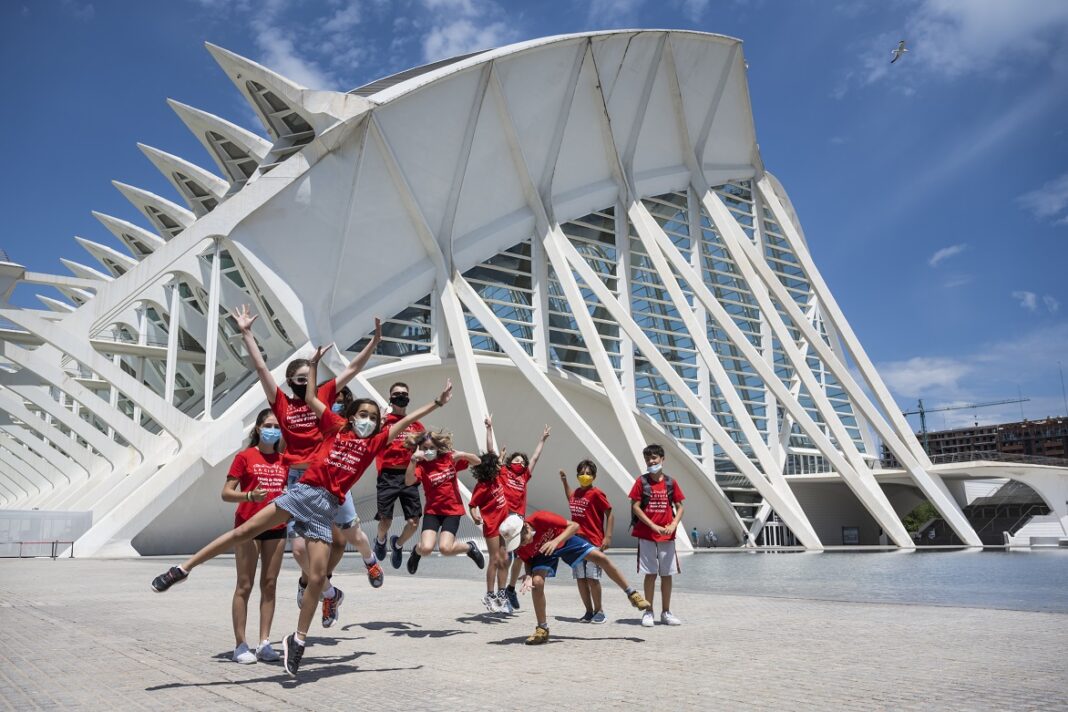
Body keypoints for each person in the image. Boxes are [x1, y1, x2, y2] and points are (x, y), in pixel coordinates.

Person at [150, 343, 454, 677]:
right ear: (350, 416)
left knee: (318, 577)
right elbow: (311, 398)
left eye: (373, 417)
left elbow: (406, 420)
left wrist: (436, 404)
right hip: (302, 492)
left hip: (325, 507)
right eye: (362, 415)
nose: (368, 420)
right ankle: (182, 569)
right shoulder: (333, 427)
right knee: (244, 532)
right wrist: (313, 365)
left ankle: (298, 639)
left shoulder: (374, 443)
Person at [231, 305, 385, 617]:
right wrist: (246, 334)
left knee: (352, 534)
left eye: (307, 377)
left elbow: (352, 370)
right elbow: (262, 370)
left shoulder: (324, 394)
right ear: (289, 381)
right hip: (297, 480)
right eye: (298, 379)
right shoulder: (282, 403)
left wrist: (374, 342)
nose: (303, 382)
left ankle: (370, 562)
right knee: (300, 548)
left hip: (331, 476)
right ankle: (326, 590)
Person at [499, 511, 651, 645]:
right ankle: (542, 629)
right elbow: (529, 561)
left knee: (600, 557)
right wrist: (529, 576)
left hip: (562, 539)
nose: (521, 544)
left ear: (525, 526)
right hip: (542, 554)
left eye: (521, 539)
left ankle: (632, 594)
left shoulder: (540, 518)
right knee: (537, 583)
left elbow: (574, 526)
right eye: (517, 543)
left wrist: (556, 541)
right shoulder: (522, 547)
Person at [224, 408, 287, 664]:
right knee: (245, 584)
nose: (273, 430)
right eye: (268, 425)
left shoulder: (286, 460)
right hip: (248, 526)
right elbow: (226, 493)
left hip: (277, 527)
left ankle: (264, 643)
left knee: (269, 584)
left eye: (277, 426)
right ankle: (240, 645)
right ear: (259, 428)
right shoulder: (245, 456)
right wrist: (249, 496)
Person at [484, 415, 551, 611]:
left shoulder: (524, 476)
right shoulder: (503, 473)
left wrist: (542, 439)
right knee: (500, 558)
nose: (519, 463)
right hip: (502, 519)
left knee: (514, 556)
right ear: (509, 462)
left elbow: (536, 457)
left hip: (518, 520)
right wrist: (489, 428)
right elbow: (490, 452)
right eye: (516, 460)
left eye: (522, 461)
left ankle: (505, 593)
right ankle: (496, 594)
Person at [403, 430, 485, 574]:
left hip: (452, 511)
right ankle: (416, 552)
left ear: (437, 448)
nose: (428, 451)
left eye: (431, 448)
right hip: (433, 511)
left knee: (445, 549)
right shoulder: (421, 466)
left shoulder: (448, 459)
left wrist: (462, 455)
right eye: (424, 448)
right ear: (419, 450)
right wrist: (413, 460)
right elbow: (409, 481)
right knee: (426, 548)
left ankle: (470, 547)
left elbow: (478, 462)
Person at [630, 444, 685, 628]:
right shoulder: (641, 482)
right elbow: (636, 507)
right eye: (648, 459)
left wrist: (674, 524)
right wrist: (653, 525)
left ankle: (666, 612)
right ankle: (648, 611)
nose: (651, 462)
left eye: (654, 458)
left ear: (662, 459)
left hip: (667, 536)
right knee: (650, 574)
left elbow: (680, 506)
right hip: (647, 535)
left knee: (667, 574)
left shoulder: (671, 482)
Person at [371, 382, 425, 570]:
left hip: (409, 475)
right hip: (388, 475)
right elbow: (369, 442)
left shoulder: (416, 424)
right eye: (396, 393)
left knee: (413, 522)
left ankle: (398, 544)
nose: (400, 396)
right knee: (385, 520)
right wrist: (378, 422)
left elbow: (426, 449)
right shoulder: (384, 422)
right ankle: (380, 540)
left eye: (404, 393)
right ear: (390, 398)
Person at [559, 460, 613, 624]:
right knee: (581, 578)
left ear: (594, 476)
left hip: (593, 541)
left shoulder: (597, 493)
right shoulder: (576, 493)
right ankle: (588, 611)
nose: (585, 476)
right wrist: (564, 481)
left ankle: (599, 611)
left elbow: (610, 513)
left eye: (588, 473)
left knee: (592, 578)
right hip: (575, 542)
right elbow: (570, 497)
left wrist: (608, 536)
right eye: (582, 473)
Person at [468, 451, 511, 613]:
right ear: (489, 468)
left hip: (504, 526)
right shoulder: (482, 486)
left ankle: (501, 594)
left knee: (504, 559)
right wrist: (475, 516)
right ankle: (489, 594)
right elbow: (472, 505)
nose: (500, 467)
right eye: (497, 465)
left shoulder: (497, 478)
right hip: (492, 526)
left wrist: (500, 456)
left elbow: (494, 459)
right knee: (494, 560)